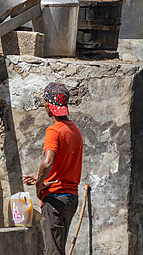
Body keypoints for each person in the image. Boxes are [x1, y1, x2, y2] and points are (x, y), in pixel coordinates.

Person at [23, 82, 83, 255]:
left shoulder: (54, 130)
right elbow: (62, 169)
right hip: (71, 198)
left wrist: (39, 185)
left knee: (52, 252)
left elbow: (47, 162)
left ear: (47, 105)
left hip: (55, 199)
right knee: (58, 249)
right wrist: (41, 177)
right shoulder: (75, 131)